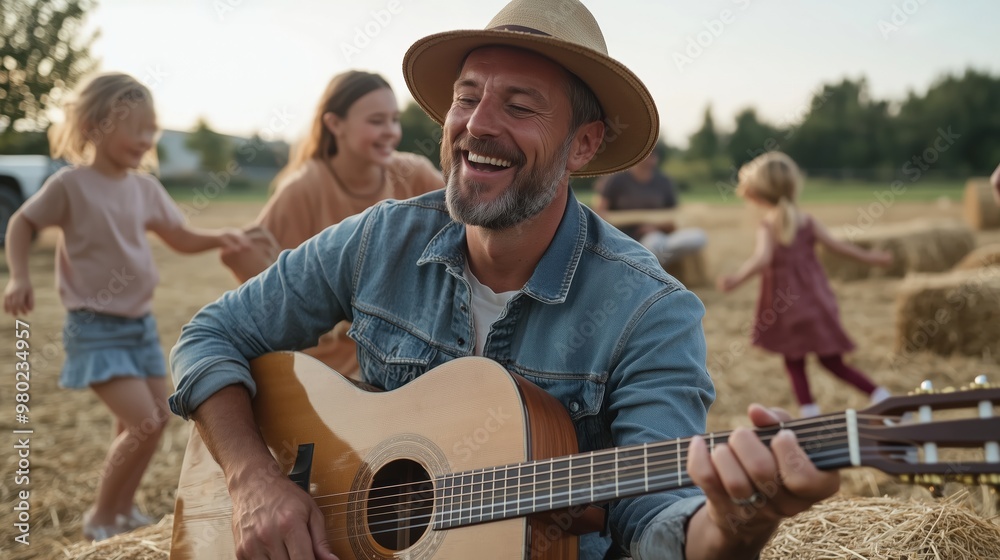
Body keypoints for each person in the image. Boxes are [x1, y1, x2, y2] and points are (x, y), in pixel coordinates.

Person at [168, 1, 840, 558]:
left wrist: (734, 525)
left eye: (519, 105)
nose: (476, 124)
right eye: (467, 97)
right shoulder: (380, 238)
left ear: (583, 145)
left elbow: (655, 520)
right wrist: (254, 480)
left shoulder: (649, 311)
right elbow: (211, 335)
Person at [2, 72, 251, 541]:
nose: (146, 140)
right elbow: (20, 223)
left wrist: (221, 236)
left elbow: (179, 236)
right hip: (95, 328)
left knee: (144, 422)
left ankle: (122, 510)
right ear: (97, 124)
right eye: (136, 128)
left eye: (151, 129)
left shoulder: (144, 188)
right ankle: (100, 516)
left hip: (139, 327)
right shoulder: (71, 186)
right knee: (147, 423)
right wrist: (17, 274)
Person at [220, 71, 443, 379]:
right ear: (335, 124)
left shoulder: (414, 174)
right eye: (376, 121)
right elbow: (265, 292)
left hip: (408, 352)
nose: (391, 131)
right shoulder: (302, 190)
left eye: (394, 119)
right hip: (328, 369)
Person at [716, 151, 893, 418]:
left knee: (794, 362)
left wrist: (736, 279)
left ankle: (811, 415)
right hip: (816, 303)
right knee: (832, 362)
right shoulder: (807, 221)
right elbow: (839, 248)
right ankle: (882, 397)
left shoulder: (768, 225)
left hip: (786, 309)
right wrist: (872, 258)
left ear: (759, 192)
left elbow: (761, 259)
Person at [592, 141, 707, 268]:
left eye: (651, 155)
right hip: (624, 239)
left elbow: (674, 219)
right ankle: (648, 264)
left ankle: (650, 264)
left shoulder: (664, 182)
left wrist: (655, 227)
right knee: (653, 245)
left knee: (697, 237)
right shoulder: (615, 180)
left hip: (659, 237)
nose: (647, 160)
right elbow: (600, 214)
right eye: (644, 155)